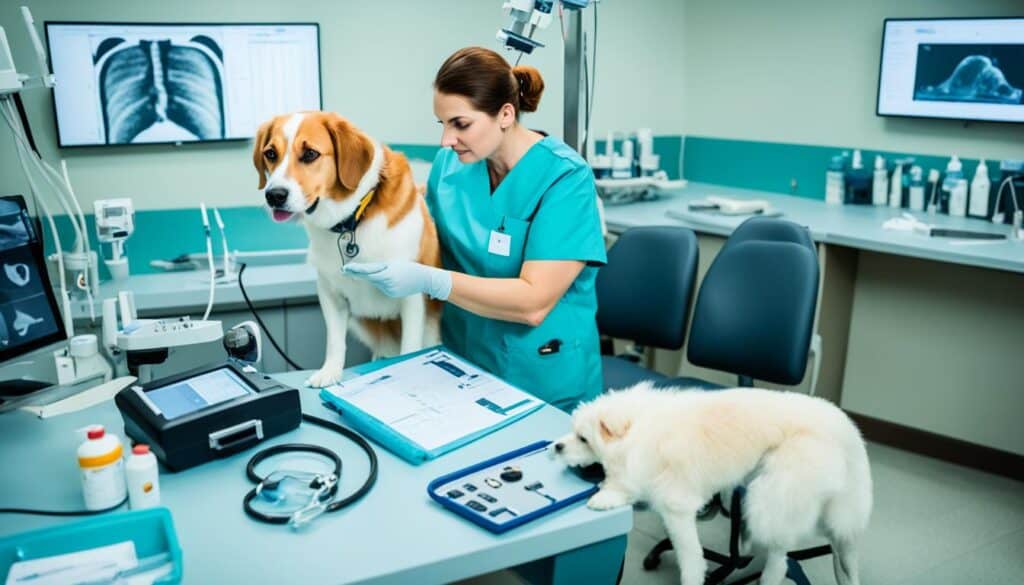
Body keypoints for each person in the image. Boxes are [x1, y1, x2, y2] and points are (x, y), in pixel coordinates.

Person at [345, 46, 606, 412]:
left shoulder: (565, 179)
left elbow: (534, 303)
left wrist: (430, 279)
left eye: (460, 124)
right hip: (460, 368)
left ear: (505, 114)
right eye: (443, 124)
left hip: (541, 379)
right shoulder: (450, 166)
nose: (446, 140)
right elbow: (426, 234)